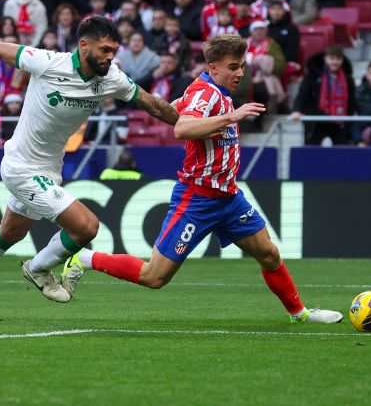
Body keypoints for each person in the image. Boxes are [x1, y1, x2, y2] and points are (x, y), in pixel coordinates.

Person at [61, 33, 343, 325]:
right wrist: (231, 118)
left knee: (269, 253)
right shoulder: (207, 94)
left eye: (242, 66)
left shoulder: (208, 92)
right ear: (214, 68)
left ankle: (300, 313)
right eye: (233, 66)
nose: (240, 73)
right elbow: (182, 129)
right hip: (197, 199)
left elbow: (176, 108)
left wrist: (202, 113)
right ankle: (84, 259)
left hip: (229, 198)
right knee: (154, 277)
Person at [0, 16, 180, 322]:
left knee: (10, 232)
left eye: (113, 50)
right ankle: (38, 268)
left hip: (49, 168)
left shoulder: (112, 78)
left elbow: (151, 103)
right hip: (21, 166)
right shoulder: (47, 62)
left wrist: (188, 123)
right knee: (86, 227)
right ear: (84, 46)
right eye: (105, 49)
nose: (110, 56)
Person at [292, 46, 356, 145]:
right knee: (311, 153)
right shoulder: (312, 75)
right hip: (316, 121)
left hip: (339, 122)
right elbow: (303, 94)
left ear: (342, 60)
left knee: (342, 153)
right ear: (325, 59)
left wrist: (350, 120)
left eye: (338, 59)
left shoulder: (348, 79)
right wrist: (297, 110)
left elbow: (351, 101)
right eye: (332, 58)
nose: (335, 62)